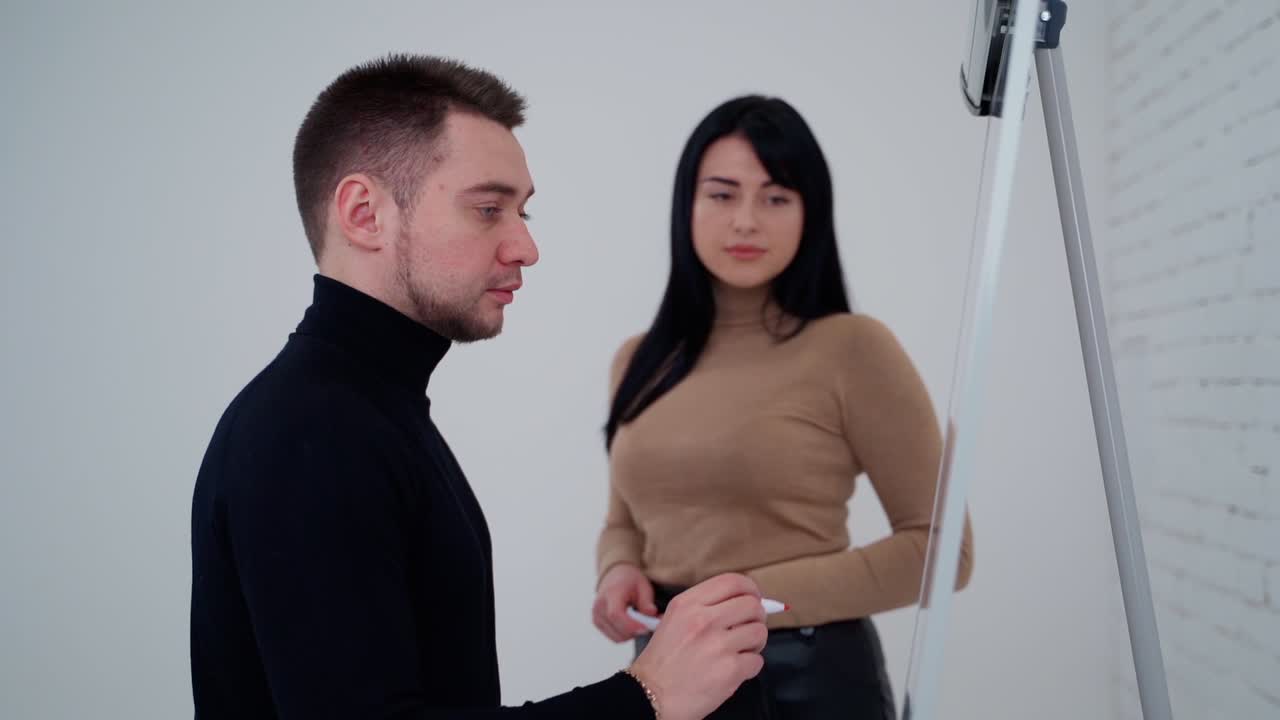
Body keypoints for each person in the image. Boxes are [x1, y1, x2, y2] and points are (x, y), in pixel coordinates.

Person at [189, 54, 770, 720]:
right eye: (489, 209)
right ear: (363, 213)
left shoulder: (367, 413)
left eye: (522, 212)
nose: (526, 246)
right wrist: (648, 694)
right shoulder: (310, 432)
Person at [592, 95, 975, 719]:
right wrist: (616, 571)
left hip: (806, 679)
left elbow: (942, 549)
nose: (746, 221)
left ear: (810, 214)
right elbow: (625, 521)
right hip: (666, 676)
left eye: (776, 197)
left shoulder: (852, 349)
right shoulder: (638, 360)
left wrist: (736, 600)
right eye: (722, 194)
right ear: (686, 205)